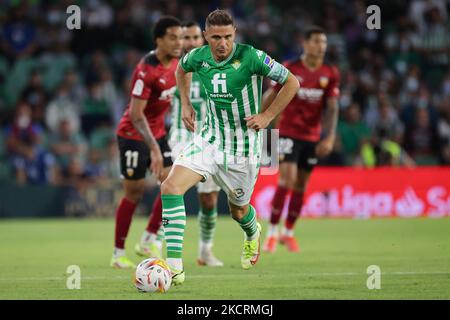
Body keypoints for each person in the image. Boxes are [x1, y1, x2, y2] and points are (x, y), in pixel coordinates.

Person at [160, 9, 299, 285]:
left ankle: (252, 232)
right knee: (170, 187)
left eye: (227, 36)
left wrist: (267, 116)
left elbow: (291, 82)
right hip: (209, 139)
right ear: (205, 37)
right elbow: (181, 69)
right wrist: (185, 103)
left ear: (234, 34)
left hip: (244, 149)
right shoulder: (198, 56)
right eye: (215, 37)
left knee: (238, 211)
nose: (222, 43)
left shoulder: (252, 57)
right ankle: (174, 266)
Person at [146, 21, 224, 267]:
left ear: (202, 40)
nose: (189, 42)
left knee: (209, 200)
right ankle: (155, 241)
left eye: (193, 38)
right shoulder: (175, 67)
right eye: (185, 37)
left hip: (210, 139)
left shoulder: (212, 66)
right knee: (172, 186)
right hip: (180, 137)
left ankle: (205, 250)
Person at [110, 16, 182, 269]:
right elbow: (135, 115)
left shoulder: (177, 65)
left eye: (180, 37)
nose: (178, 42)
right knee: (135, 192)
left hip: (159, 132)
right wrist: (153, 148)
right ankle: (118, 253)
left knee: (173, 182)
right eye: (172, 37)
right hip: (133, 135)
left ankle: (149, 238)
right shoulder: (145, 70)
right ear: (158, 40)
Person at [262, 26, 340, 253]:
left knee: (301, 184)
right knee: (286, 178)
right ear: (305, 44)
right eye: (316, 41)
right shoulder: (290, 68)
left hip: (312, 136)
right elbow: (272, 93)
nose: (321, 46)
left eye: (323, 42)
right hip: (287, 131)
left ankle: (288, 232)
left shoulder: (331, 72)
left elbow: (333, 107)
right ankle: (272, 234)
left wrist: (330, 136)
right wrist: (261, 116)